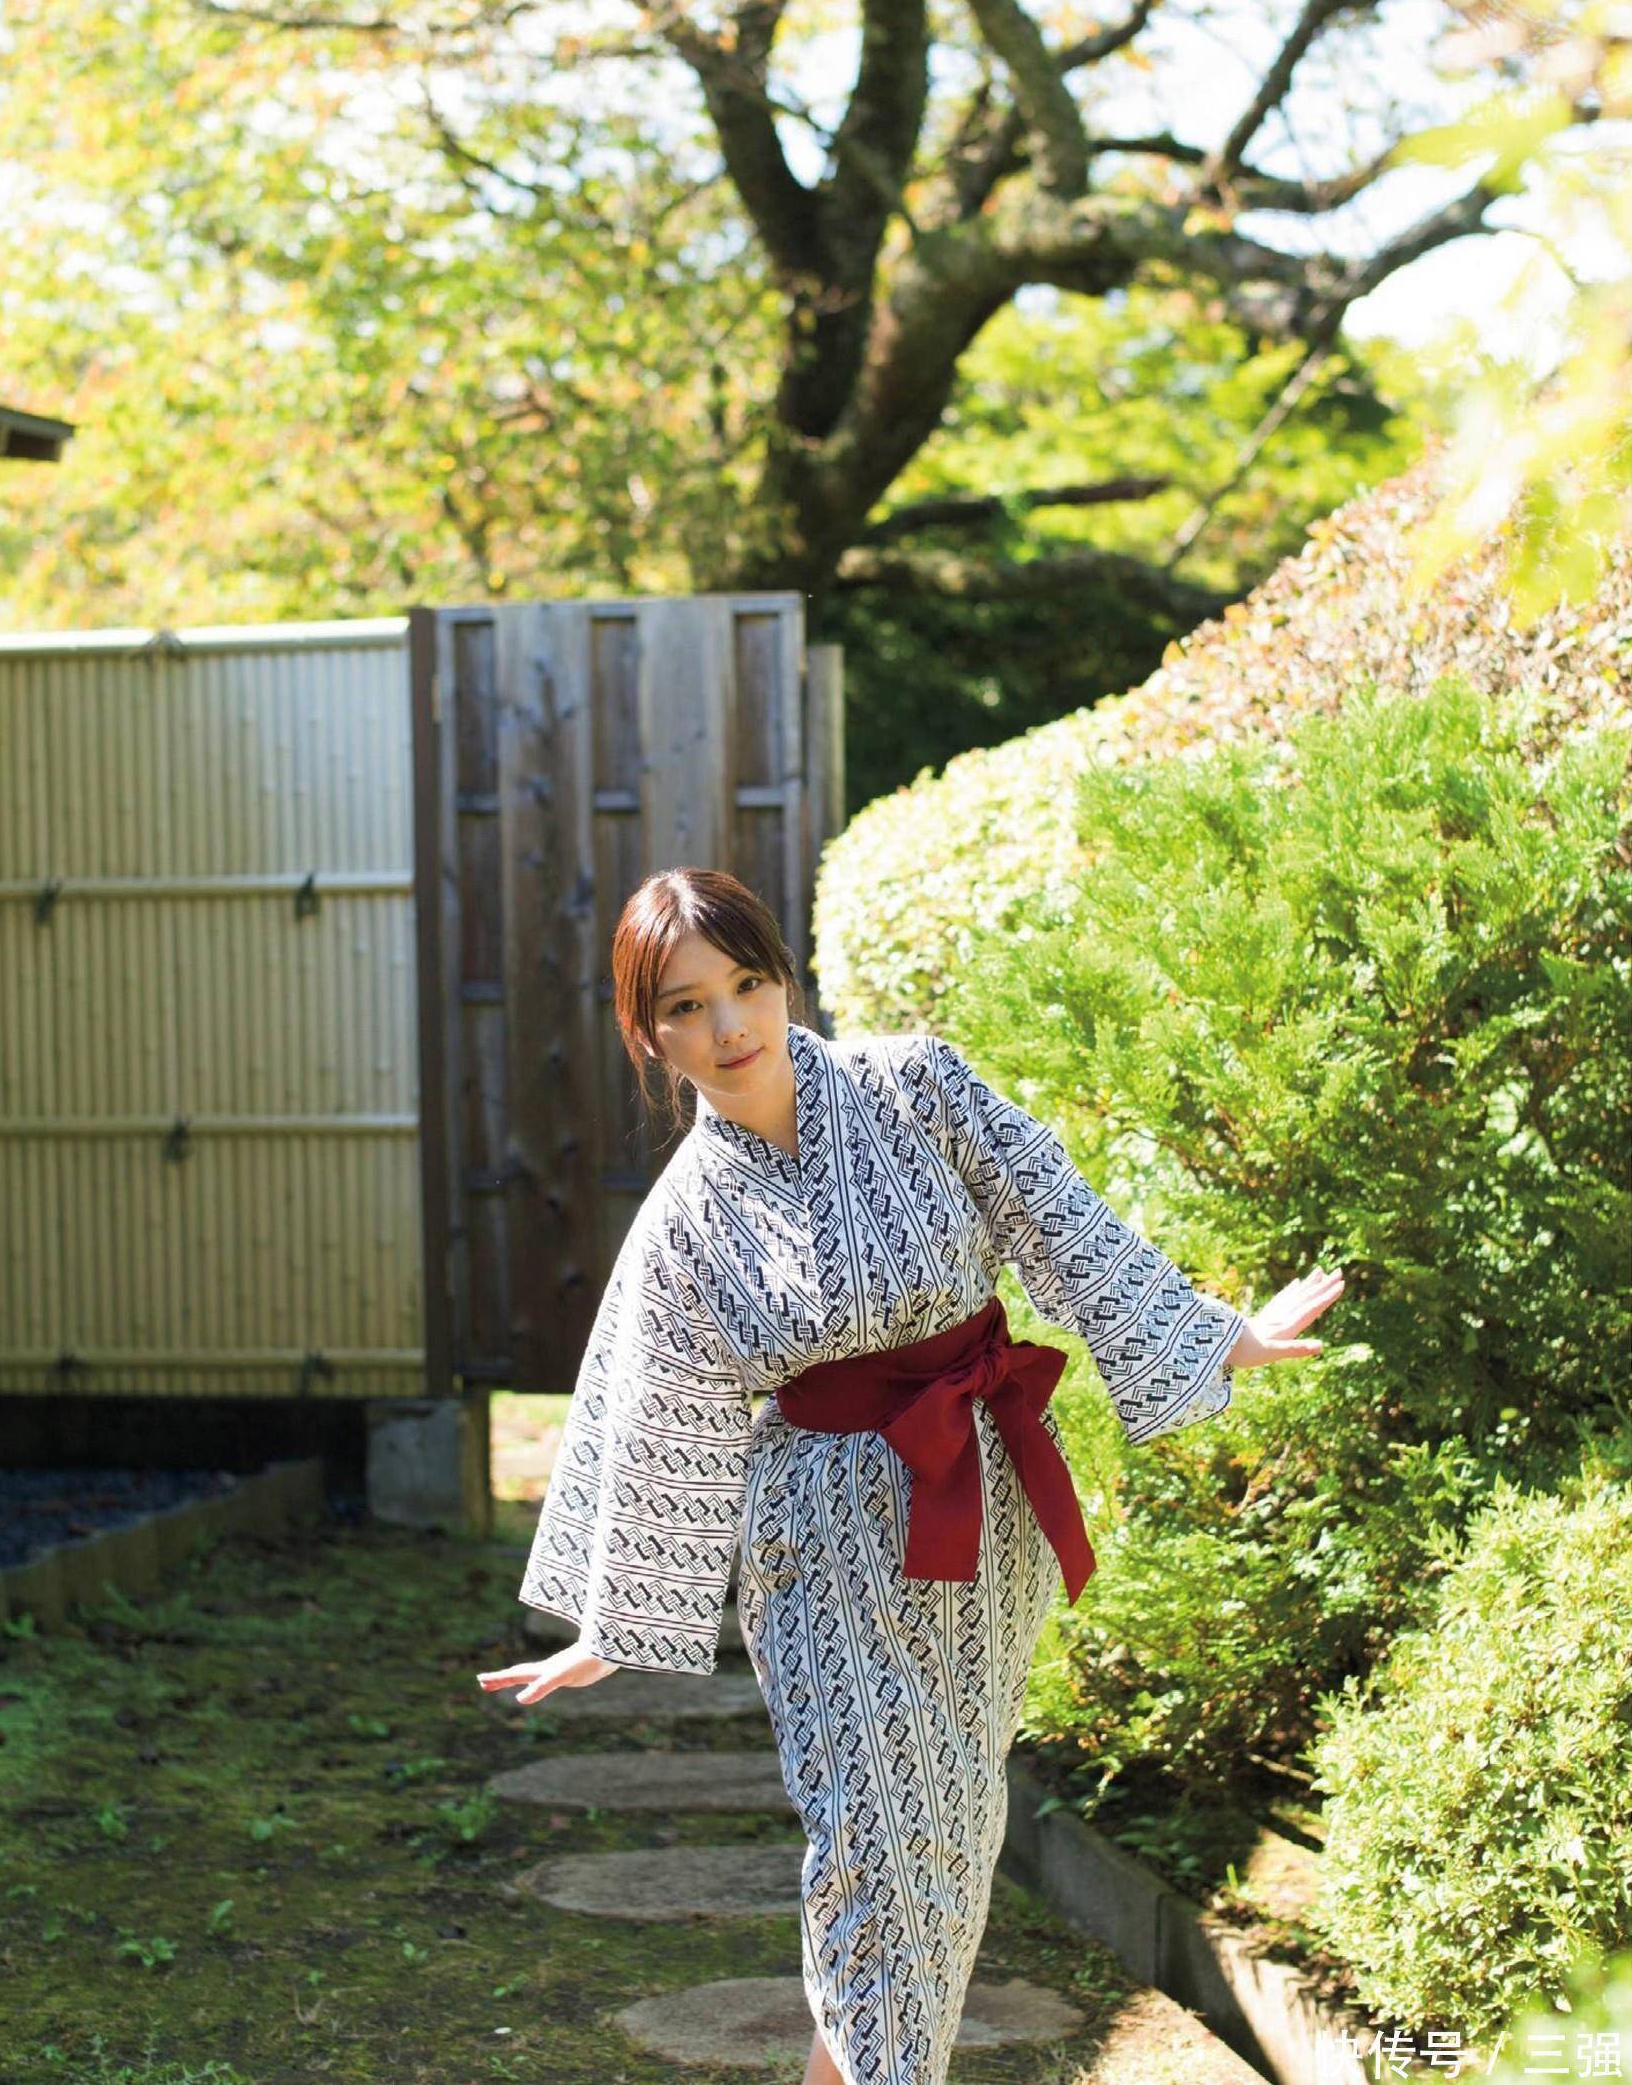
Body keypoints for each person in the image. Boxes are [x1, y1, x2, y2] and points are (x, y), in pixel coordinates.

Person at [477, 867, 1344, 2085]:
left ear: (784, 981)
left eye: (747, 984)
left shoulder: (916, 1084)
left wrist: (1215, 1337)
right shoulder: (685, 1219)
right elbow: (662, 1413)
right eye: (685, 1006)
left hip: (984, 1502)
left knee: (944, 1844)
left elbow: (1059, 1220)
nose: (728, 1026)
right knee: (871, 1844)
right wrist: (615, 1622)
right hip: (822, 1544)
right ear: (646, 1032)